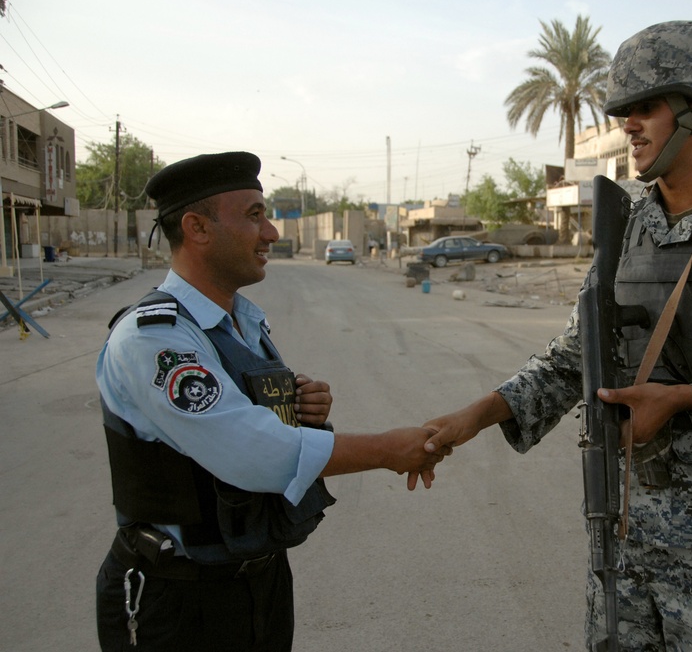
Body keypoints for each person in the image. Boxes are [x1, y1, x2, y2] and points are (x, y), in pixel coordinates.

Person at [422, 21, 692, 651]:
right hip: (619, 532)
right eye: (624, 111)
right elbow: (575, 357)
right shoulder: (625, 231)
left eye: (646, 107)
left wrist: (686, 402)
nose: (629, 124)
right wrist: (477, 415)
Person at [95, 152, 447, 651]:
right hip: (178, 597)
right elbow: (254, 453)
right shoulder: (155, 338)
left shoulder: (240, 321)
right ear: (197, 228)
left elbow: (257, 419)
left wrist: (302, 409)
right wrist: (387, 451)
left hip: (257, 579)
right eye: (255, 215)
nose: (272, 234)